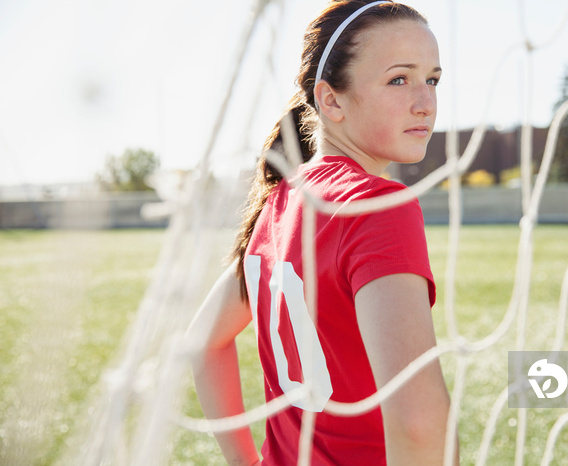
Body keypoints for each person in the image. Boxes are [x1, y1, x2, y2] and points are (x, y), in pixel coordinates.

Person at [188, 1, 456, 464]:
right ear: (331, 99)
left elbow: (202, 342)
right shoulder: (376, 205)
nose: (425, 102)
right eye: (399, 79)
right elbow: (418, 423)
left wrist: (246, 461)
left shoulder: (276, 203)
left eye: (431, 79)